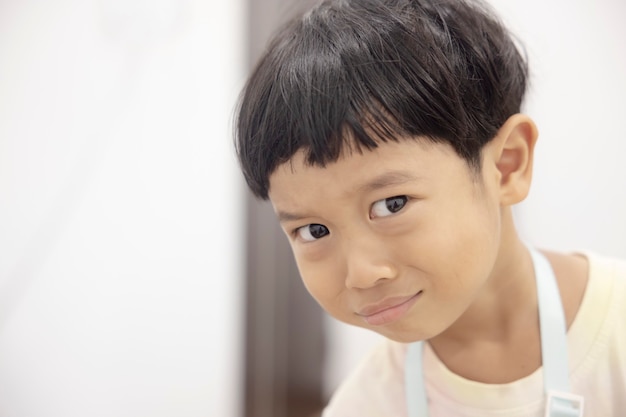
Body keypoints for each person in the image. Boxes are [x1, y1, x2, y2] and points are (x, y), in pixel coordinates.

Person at [233, 0, 626, 415]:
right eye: (314, 231)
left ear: (507, 165)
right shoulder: (367, 404)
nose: (362, 274)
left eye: (392, 204)